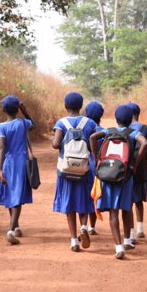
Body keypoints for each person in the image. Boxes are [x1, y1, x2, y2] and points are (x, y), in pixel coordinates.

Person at [90, 105, 147, 259]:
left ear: (116, 119)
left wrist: (97, 160)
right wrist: (134, 164)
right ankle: (128, 240)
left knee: (113, 212)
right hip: (125, 175)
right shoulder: (133, 132)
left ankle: (118, 247)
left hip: (108, 174)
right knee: (126, 208)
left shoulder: (109, 131)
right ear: (131, 119)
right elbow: (144, 143)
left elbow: (92, 137)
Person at [52, 92, 98, 252]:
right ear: (81, 106)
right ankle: (84, 226)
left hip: (66, 169)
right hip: (84, 169)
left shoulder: (61, 123)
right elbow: (96, 141)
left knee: (69, 204)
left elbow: (56, 144)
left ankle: (73, 240)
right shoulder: (90, 123)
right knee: (84, 201)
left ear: (66, 106)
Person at [0, 95, 35, 245]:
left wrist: (0, 169)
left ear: (3, 110)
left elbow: (1, 147)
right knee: (17, 196)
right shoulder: (23, 123)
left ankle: (15, 226)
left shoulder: (1, 127)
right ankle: (12, 230)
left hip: (8, 162)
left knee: (11, 193)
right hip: (21, 163)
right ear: (17, 109)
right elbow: (34, 125)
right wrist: (25, 112)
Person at [127, 102, 147, 240]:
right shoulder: (145, 128)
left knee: (128, 201)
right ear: (138, 114)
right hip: (142, 170)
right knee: (138, 201)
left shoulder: (125, 129)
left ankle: (130, 233)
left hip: (128, 169)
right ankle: (140, 228)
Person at [84, 101, 105, 236]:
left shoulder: (85, 129)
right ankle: (92, 226)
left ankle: (83, 225)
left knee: (85, 195)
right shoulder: (102, 132)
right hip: (98, 166)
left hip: (85, 165)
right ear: (100, 116)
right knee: (94, 196)